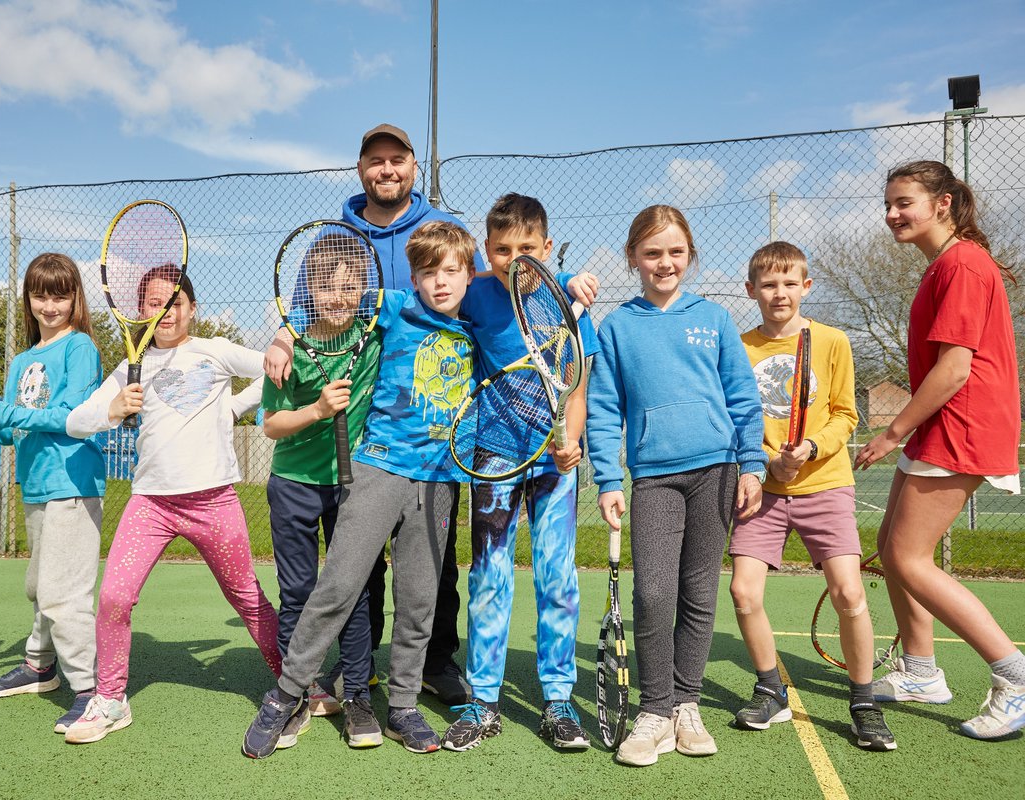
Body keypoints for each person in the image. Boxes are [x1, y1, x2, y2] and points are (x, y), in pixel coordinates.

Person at [267, 123, 484, 707]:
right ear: (361, 169)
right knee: (357, 563)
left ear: (413, 165)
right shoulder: (336, 235)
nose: (386, 169)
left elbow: (488, 294)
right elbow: (309, 305)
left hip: (434, 433)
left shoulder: (447, 233)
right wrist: (284, 340)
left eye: (397, 159)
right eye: (375, 161)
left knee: (434, 565)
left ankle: (436, 662)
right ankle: (358, 671)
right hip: (367, 424)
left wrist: (562, 283)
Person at [242, 220, 476, 758]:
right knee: (338, 586)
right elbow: (327, 303)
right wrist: (282, 335)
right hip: (378, 469)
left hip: (440, 480)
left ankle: (403, 706)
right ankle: (286, 694)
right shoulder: (389, 309)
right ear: (412, 276)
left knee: (419, 599)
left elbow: (520, 290)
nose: (440, 282)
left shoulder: (478, 325)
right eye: (427, 271)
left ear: (468, 275)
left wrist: (571, 285)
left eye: (451, 271)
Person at [61, 266, 281, 744]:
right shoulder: (128, 369)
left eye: (175, 303)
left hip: (213, 500)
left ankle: (295, 683)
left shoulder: (214, 351)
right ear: (139, 310)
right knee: (114, 598)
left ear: (192, 309)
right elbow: (77, 422)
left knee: (246, 598)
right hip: (151, 506)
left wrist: (237, 406)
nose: (164, 313)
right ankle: (111, 700)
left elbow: (274, 366)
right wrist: (112, 409)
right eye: (154, 304)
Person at [586, 204, 766, 767]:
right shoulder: (615, 326)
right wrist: (608, 477)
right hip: (654, 478)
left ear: (690, 255)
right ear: (633, 258)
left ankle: (686, 705)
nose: (665, 263)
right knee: (653, 594)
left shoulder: (713, 319)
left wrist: (753, 463)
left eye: (676, 252)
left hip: (718, 471)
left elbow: (741, 396)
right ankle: (655, 710)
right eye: (652, 252)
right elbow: (603, 407)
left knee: (698, 593)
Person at [855, 160, 1024, 740]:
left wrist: (891, 431)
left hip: (963, 424)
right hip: (943, 424)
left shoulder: (963, 264)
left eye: (904, 202)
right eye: (889, 204)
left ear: (943, 204)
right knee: (891, 545)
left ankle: (1015, 677)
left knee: (908, 558)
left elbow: (955, 369)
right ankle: (921, 671)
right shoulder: (941, 267)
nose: (892, 214)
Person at [440, 193, 600, 752]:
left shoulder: (572, 304)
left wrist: (571, 440)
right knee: (490, 578)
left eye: (526, 247)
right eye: (502, 249)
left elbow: (576, 385)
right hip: (493, 457)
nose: (514, 258)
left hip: (555, 463)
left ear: (547, 248)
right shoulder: (476, 295)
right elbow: (430, 307)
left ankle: (558, 700)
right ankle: (482, 700)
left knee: (557, 578)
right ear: (487, 251)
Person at [729, 241, 895, 751]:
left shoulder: (831, 341)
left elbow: (846, 413)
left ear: (807, 286)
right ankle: (769, 689)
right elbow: (737, 417)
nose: (779, 293)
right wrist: (762, 461)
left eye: (789, 283)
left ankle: (863, 701)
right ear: (751, 289)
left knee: (849, 592)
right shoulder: (739, 346)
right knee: (743, 592)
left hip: (825, 484)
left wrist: (811, 446)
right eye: (768, 284)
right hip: (765, 491)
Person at [0, 252, 106, 735]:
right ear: (28, 299)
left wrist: (9, 413)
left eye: (60, 295)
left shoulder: (80, 349)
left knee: (63, 592)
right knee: (38, 585)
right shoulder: (24, 361)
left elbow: (71, 417)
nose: (49, 305)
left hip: (73, 483)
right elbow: (13, 434)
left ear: (75, 299)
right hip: (37, 487)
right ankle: (39, 665)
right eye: (40, 295)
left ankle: (92, 692)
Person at [261, 233, 383, 749]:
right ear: (307, 288)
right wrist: (315, 411)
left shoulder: (374, 337)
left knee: (350, 594)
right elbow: (270, 425)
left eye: (349, 286)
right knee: (297, 594)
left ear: (364, 290)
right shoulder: (288, 348)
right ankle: (301, 692)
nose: (338, 296)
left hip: (350, 487)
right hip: (293, 486)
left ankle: (356, 694)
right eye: (326, 285)